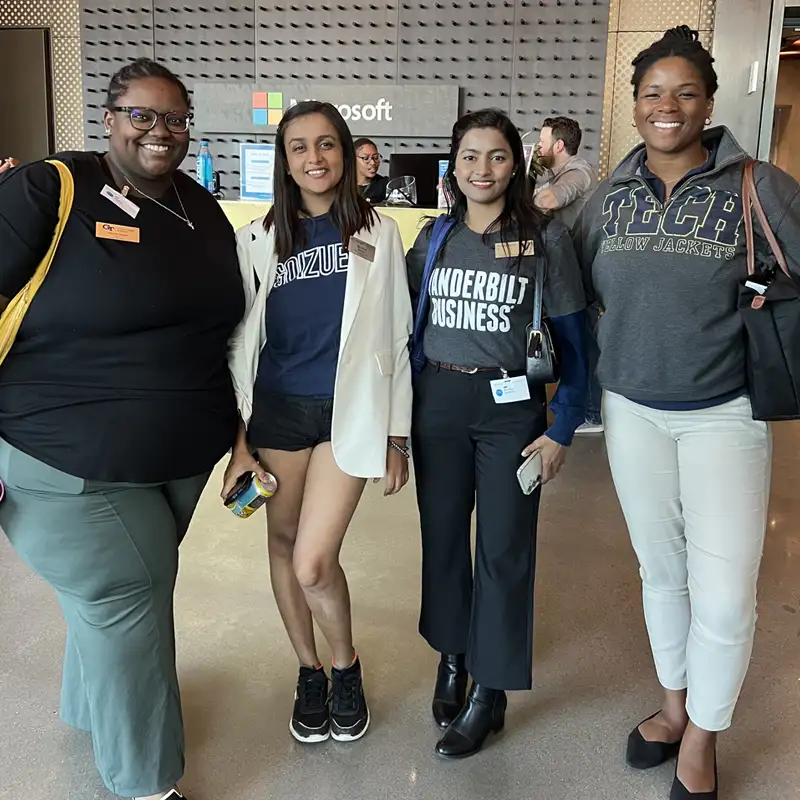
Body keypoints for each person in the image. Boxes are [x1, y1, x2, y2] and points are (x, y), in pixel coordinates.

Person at [0, 59, 244, 800]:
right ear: (108, 118)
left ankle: (91, 710)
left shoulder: (201, 210)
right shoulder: (50, 189)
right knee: (129, 592)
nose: (159, 131)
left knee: (122, 594)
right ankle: (145, 782)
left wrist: (239, 432)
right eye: (142, 114)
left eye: (174, 118)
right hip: (61, 457)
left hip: (180, 459)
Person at [573, 25, 800, 800]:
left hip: (725, 414)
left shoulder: (757, 185)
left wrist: (771, 298)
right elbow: (569, 283)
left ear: (707, 104)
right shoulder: (609, 195)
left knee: (727, 595)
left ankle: (703, 735)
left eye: (685, 93)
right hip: (631, 411)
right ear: (634, 104)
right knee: (662, 572)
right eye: (652, 93)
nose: (666, 106)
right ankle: (673, 708)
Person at [224, 101, 412, 745]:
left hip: (346, 413)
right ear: (284, 160)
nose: (314, 158)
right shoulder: (256, 238)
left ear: (346, 151)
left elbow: (397, 336)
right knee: (280, 545)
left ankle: (345, 665)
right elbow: (239, 347)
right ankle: (309, 671)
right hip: (276, 413)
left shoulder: (378, 232)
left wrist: (397, 435)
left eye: (327, 144)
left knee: (311, 560)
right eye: (299, 146)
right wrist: (239, 444)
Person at [407, 108, 588, 759]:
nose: (482, 169)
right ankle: (453, 658)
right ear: (453, 166)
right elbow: (403, 326)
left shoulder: (545, 237)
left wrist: (564, 424)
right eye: (470, 156)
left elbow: (574, 337)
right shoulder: (434, 236)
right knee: (443, 539)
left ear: (517, 165)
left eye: (497, 156)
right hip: (437, 403)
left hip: (511, 407)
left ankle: (490, 689)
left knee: (505, 548)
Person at [533, 117, 601, 435]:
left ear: (558, 145)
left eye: (542, 143)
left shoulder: (578, 172)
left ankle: (591, 413)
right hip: (566, 271)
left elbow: (549, 200)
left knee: (581, 342)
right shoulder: (556, 176)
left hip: (581, 272)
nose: (538, 148)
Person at [354, 137, 388, 204]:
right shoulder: (342, 185)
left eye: (376, 158)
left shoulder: (386, 186)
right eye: (366, 158)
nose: (373, 163)